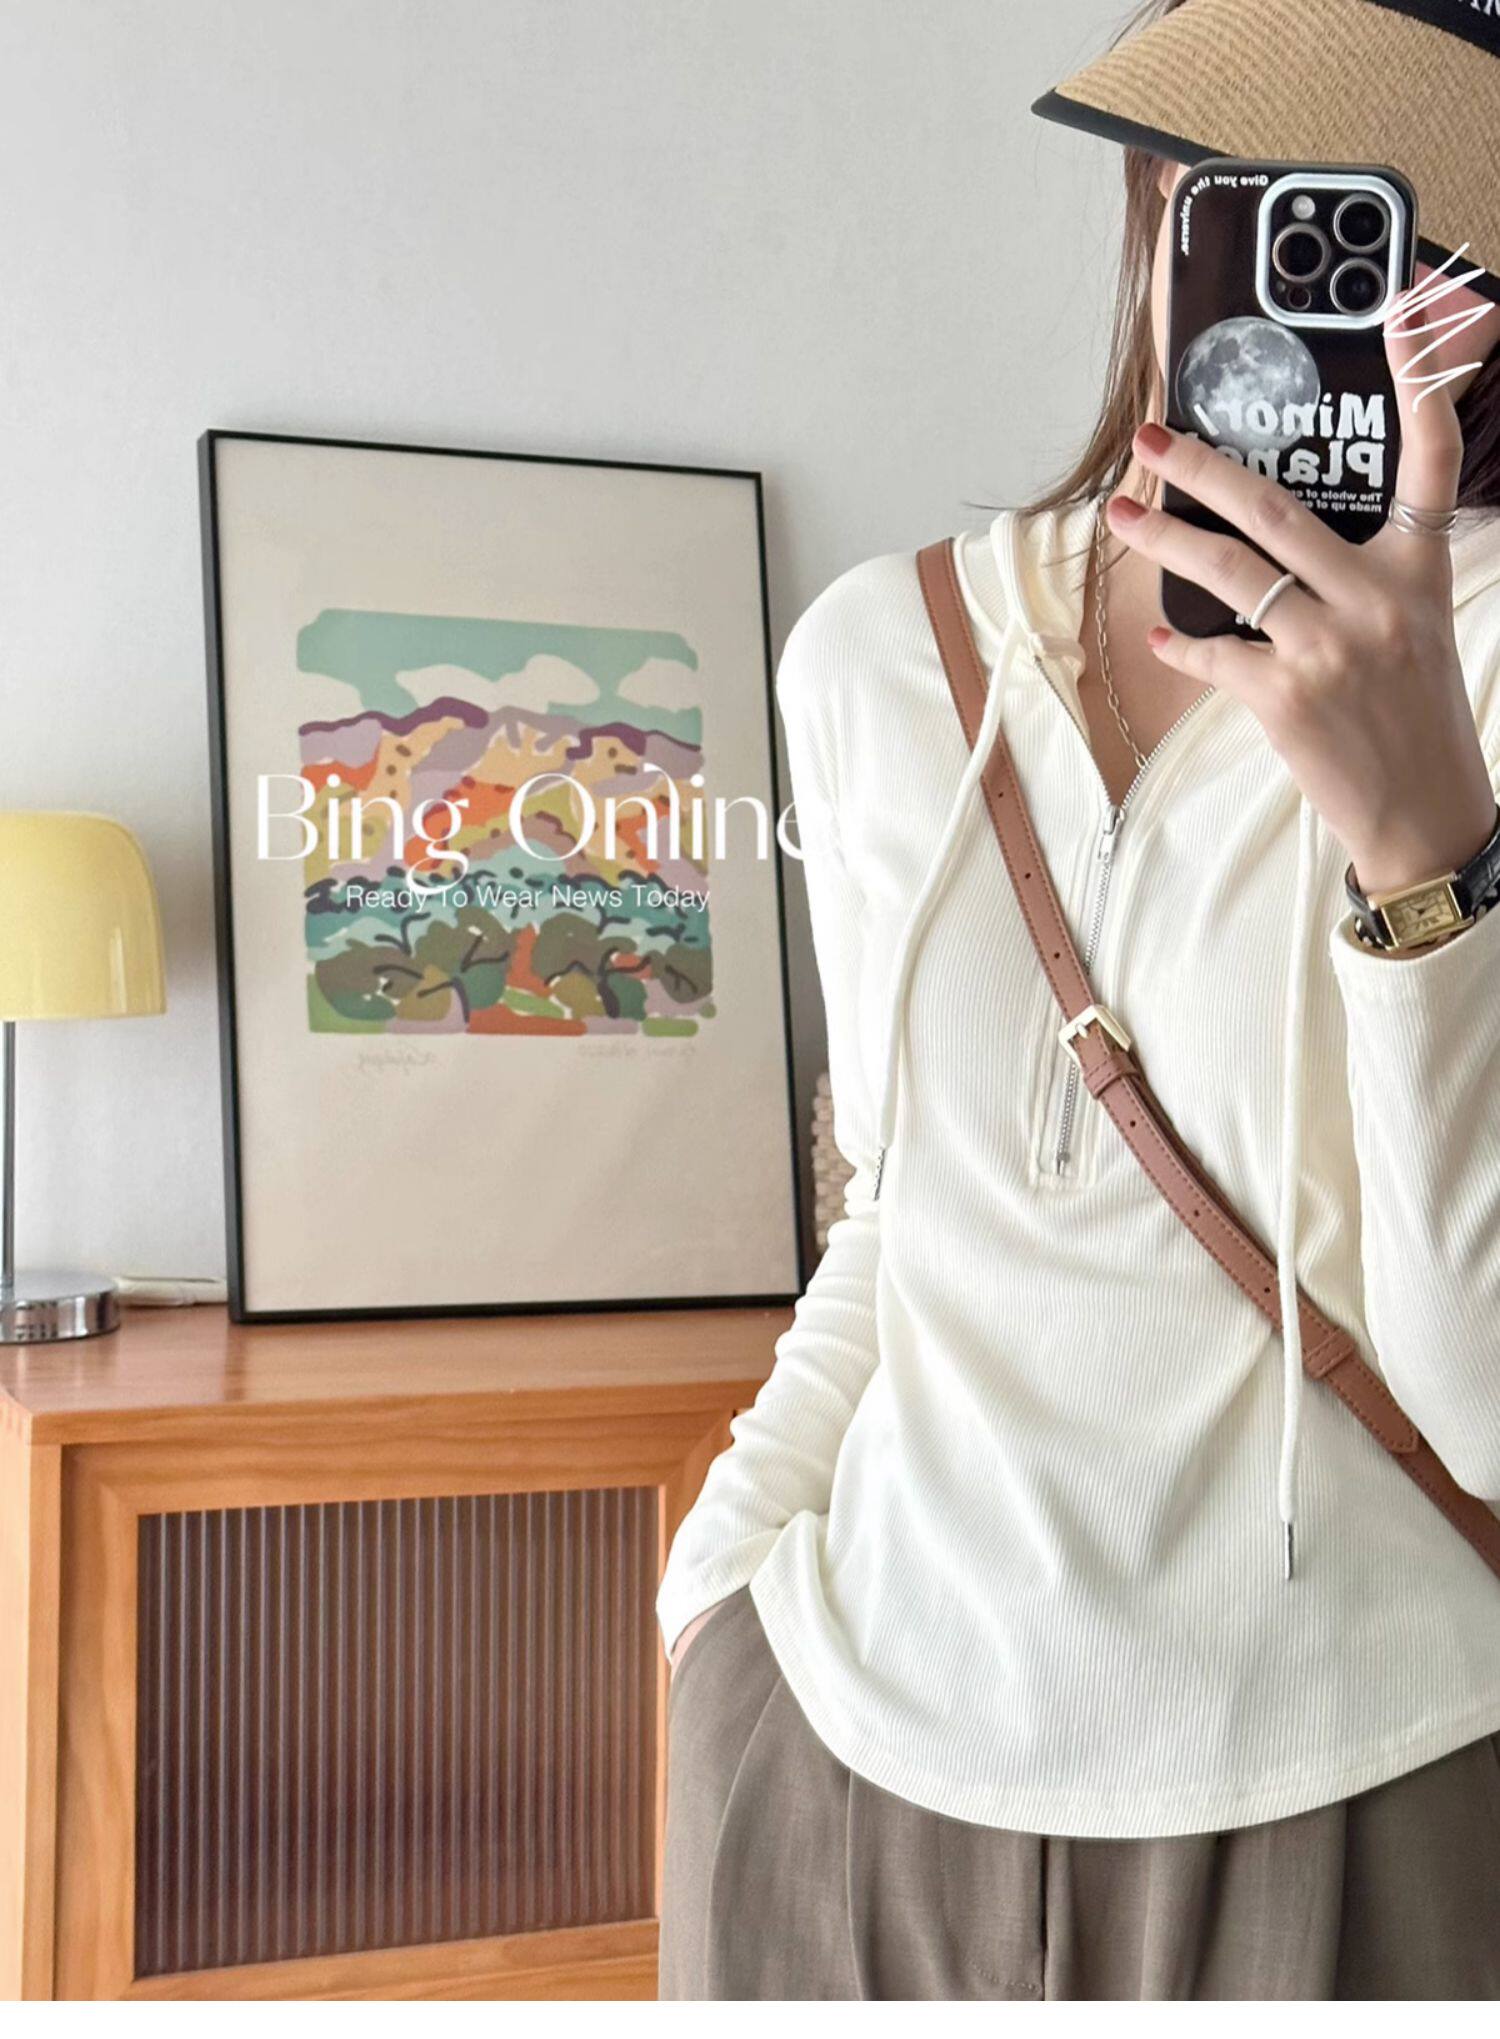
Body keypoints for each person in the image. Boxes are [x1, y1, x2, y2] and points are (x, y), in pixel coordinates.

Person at [656, 0, 1500, 2000]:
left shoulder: (1479, 676)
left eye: (1384, 204)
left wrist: (1425, 846)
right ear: (1159, 210)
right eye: (1250, 172)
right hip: (837, 1766)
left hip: (1366, 1789)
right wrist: (721, 1592)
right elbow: (900, 1210)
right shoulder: (876, 654)